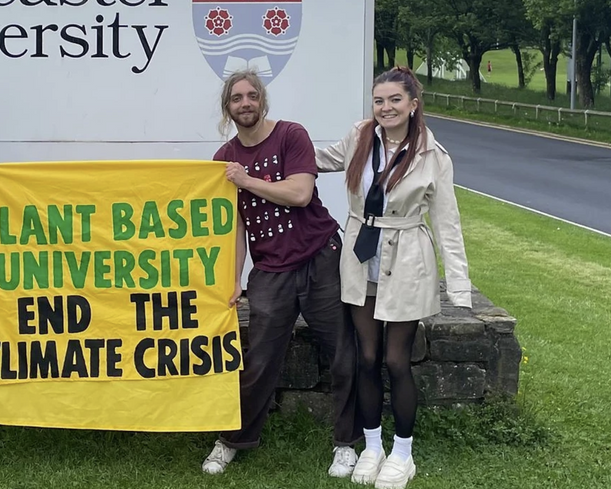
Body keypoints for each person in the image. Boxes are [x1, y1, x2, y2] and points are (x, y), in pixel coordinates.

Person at [316, 66, 472, 489]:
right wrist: (268, 153)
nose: (385, 108)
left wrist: (459, 285)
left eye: (395, 100)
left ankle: (403, 452)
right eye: (379, 100)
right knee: (366, 357)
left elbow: (448, 223)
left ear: (413, 105)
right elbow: (317, 160)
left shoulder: (432, 156)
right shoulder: (359, 138)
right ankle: (372, 445)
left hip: (406, 258)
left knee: (395, 360)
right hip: (361, 256)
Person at [201, 70, 361, 478]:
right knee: (258, 360)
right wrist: (234, 278)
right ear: (227, 108)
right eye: (236, 98)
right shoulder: (224, 159)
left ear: (262, 100)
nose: (245, 103)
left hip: (320, 257)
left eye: (252, 95)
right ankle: (232, 440)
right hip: (270, 270)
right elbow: (235, 225)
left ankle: (346, 443)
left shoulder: (291, 135)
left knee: (342, 352)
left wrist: (246, 179)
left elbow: (299, 192)